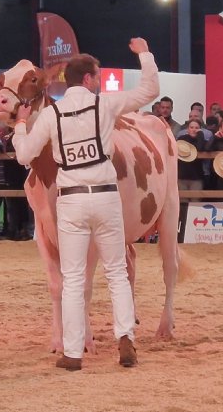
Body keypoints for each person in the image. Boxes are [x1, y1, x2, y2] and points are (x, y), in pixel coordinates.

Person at [12, 37, 157, 371]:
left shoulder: (51, 114)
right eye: (99, 75)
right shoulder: (104, 104)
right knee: (116, 272)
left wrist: (20, 125)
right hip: (106, 195)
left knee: (74, 277)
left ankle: (73, 352)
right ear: (89, 79)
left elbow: (24, 155)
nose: (100, 80)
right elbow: (149, 90)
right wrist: (144, 54)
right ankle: (125, 338)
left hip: (71, 200)